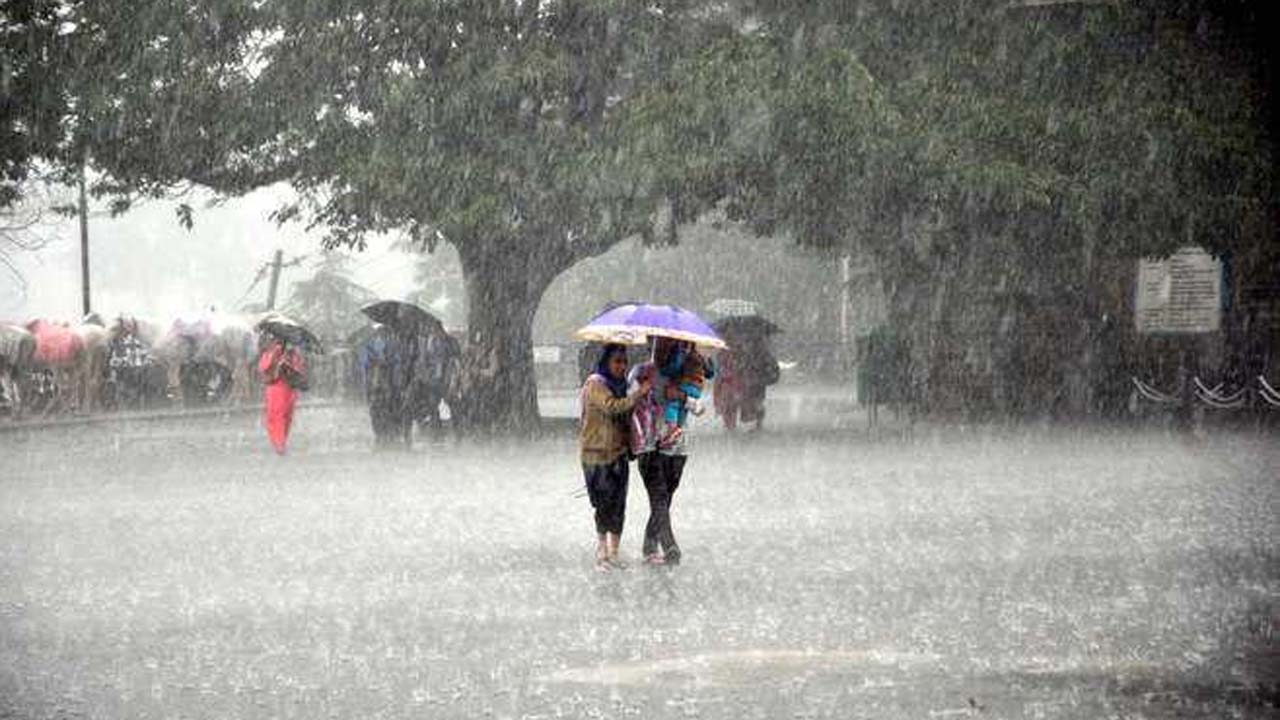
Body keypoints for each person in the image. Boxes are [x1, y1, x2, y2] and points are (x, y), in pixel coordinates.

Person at [628, 338, 704, 566]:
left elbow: (700, 408)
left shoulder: (683, 372)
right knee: (659, 497)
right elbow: (627, 403)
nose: (663, 349)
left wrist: (681, 397)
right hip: (649, 447)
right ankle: (670, 546)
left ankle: (649, 545)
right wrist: (643, 393)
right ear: (651, 345)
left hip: (678, 448)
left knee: (665, 499)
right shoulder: (639, 373)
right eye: (659, 344)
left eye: (671, 345)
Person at [579, 343, 650, 572]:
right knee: (602, 504)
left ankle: (614, 552)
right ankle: (602, 550)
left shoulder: (622, 386)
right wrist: (638, 394)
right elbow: (611, 407)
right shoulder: (596, 384)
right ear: (606, 362)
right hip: (596, 455)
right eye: (617, 361)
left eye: (624, 361)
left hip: (618, 453)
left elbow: (626, 412)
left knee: (619, 504)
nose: (621, 366)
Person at [258, 337, 307, 455]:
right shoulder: (272, 353)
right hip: (278, 387)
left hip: (285, 388)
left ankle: (280, 442)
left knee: (284, 416)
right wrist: (276, 356)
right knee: (279, 415)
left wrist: (288, 362)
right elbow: (264, 367)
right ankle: (279, 442)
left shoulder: (292, 354)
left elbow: (299, 369)